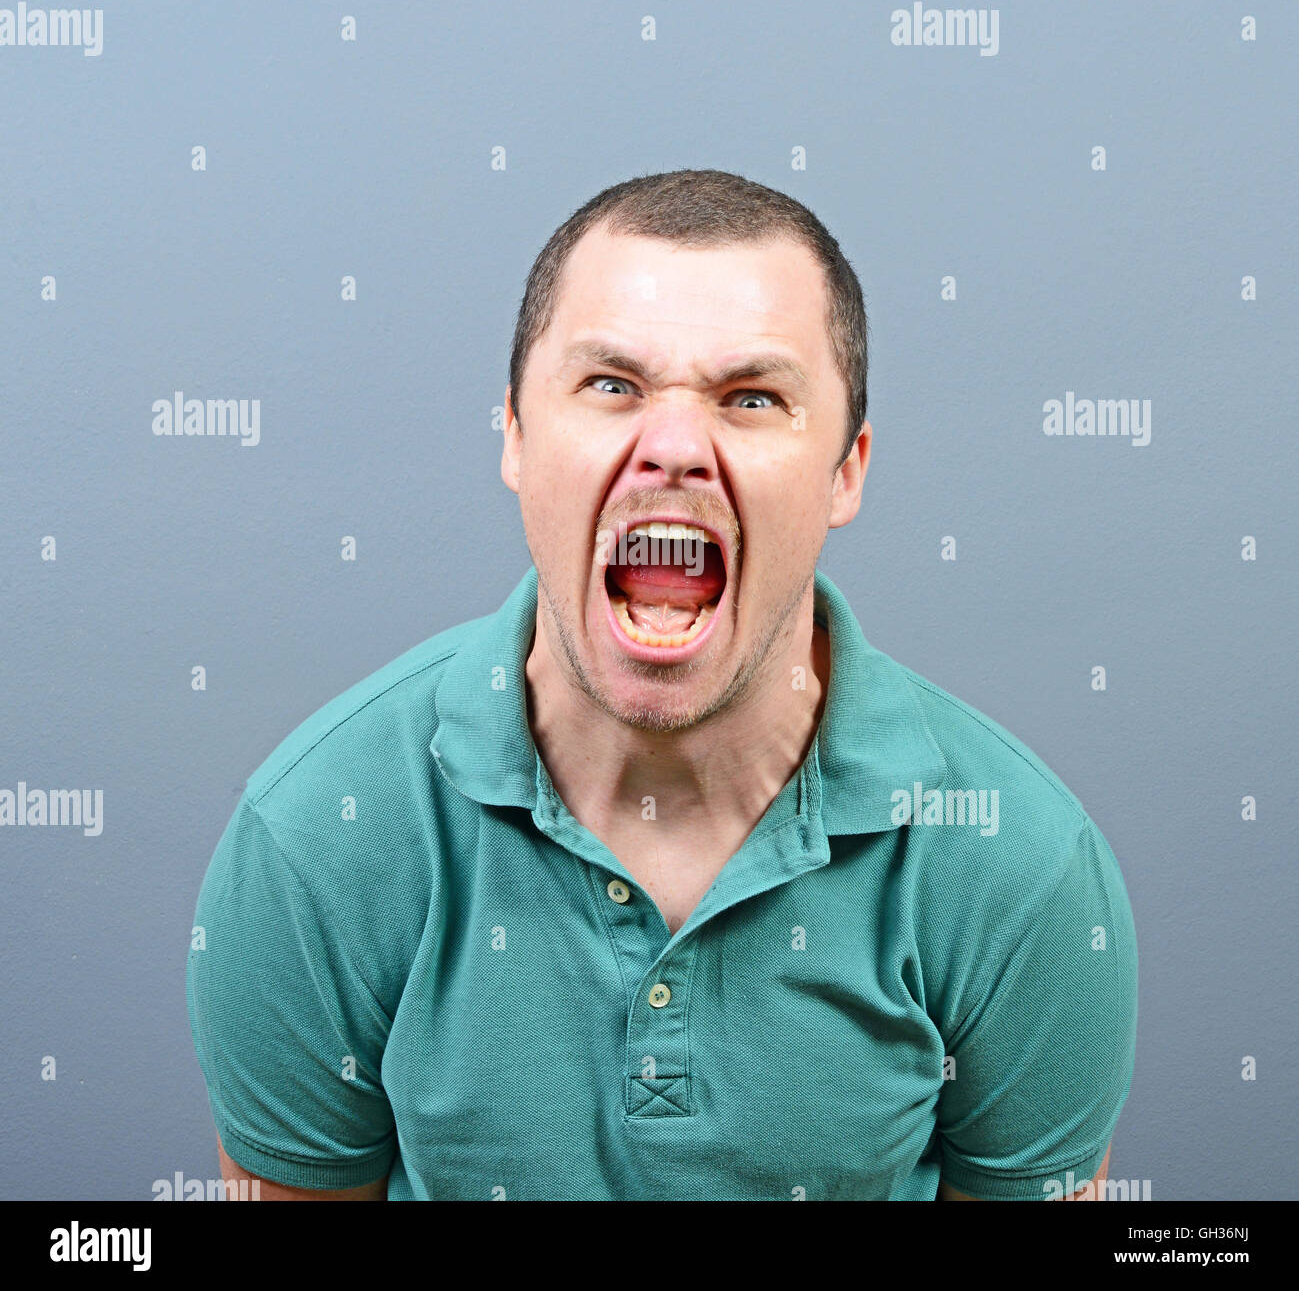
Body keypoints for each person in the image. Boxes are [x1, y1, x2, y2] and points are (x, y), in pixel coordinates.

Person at [187, 169, 1137, 1200]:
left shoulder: (1022, 867)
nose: (677, 447)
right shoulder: (319, 834)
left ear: (845, 472)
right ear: (514, 433)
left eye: (752, 397)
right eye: (611, 386)